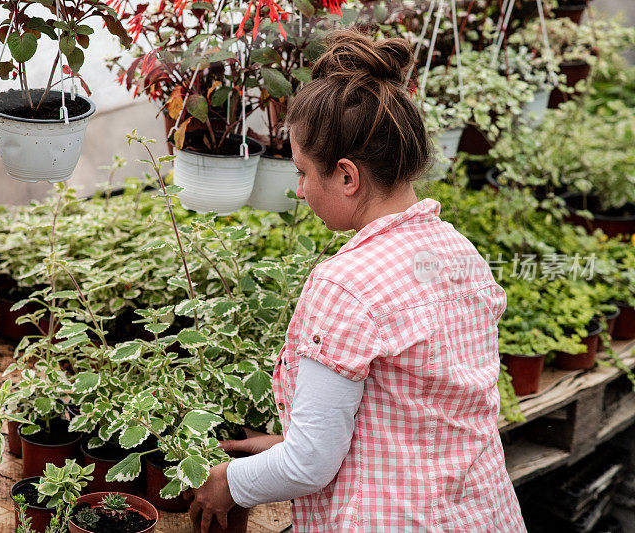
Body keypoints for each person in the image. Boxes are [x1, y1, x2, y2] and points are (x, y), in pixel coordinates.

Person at [187, 27, 526, 533]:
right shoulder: (459, 252)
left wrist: (228, 481)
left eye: (302, 172)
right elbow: (418, 412)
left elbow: (309, 465)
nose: (299, 190)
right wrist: (290, 442)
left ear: (347, 177)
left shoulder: (346, 284)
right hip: (482, 513)